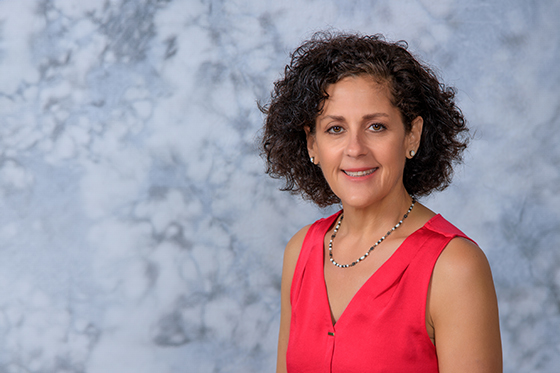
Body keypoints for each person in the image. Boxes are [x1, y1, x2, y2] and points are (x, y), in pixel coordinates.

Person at [260, 32, 502, 373]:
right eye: (335, 129)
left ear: (412, 135)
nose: (355, 148)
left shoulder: (454, 267)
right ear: (311, 144)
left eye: (376, 126)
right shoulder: (300, 251)